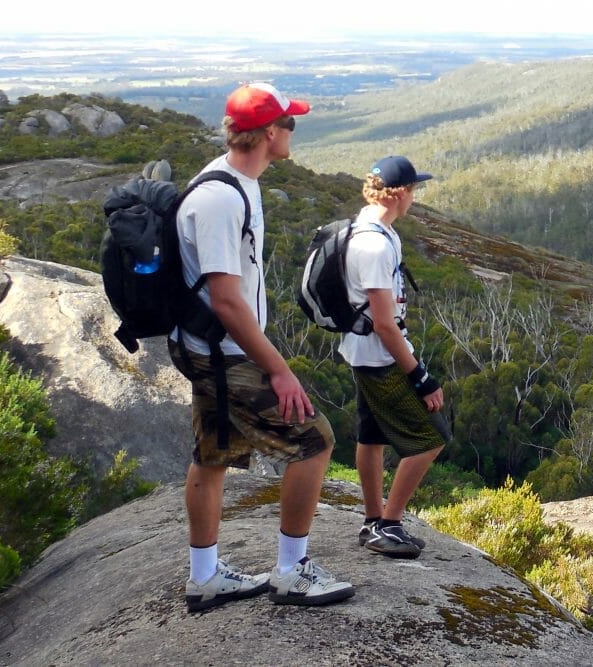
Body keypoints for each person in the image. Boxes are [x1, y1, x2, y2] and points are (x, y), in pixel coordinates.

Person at [172, 82, 352, 611]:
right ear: (270, 133)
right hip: (221, 351)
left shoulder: (233, 178)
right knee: (314, 441)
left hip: (208, 345)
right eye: (289, 123)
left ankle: (205, 577)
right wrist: (278, 369)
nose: (294, 130)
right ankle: (291, 571)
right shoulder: (221, 199)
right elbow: (226, 301)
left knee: (212, 453)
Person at [343, 155, 452, 559]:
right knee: (432, 437)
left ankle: (373, 520)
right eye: (414, 190)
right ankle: (388, 524)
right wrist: (421, 377)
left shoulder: (375, 229)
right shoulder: (373, 244)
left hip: (366, 352)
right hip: (378, 357)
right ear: (400, 193)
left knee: (371, 435)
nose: (415, 198)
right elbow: (385, 325)